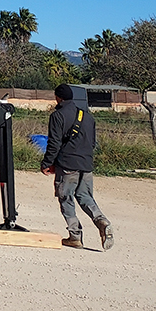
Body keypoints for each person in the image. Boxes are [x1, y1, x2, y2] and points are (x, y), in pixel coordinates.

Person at [40, 84, 114, 250]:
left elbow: (54, 143)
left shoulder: (57, 116)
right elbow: (93, 142)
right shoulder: (87, 116)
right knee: (85, 197)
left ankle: (75, 236)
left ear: (58, 97)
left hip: (67, 164)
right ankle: (102, 220)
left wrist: (46, 163)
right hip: (86, 164)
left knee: (66, 198)